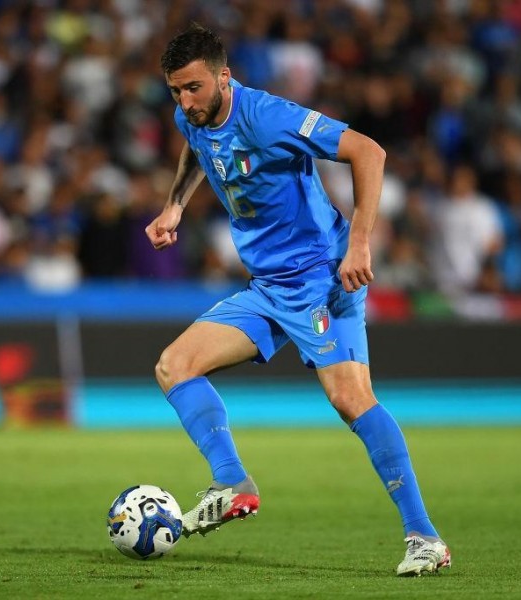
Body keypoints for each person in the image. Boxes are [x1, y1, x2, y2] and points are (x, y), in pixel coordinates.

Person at [146, 24, 450, 576]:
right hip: (267, 285)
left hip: (319, 277)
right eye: (175, 91)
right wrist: (175, 207)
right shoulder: (190, 115)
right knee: (175, 365)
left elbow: (369, 152)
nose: (184, 102)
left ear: (224, 76)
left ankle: (424, 537)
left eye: (193, 88)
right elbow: (198, 149)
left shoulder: (268, 117)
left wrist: (359, 243)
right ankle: (233, 483)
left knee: (351, 399)